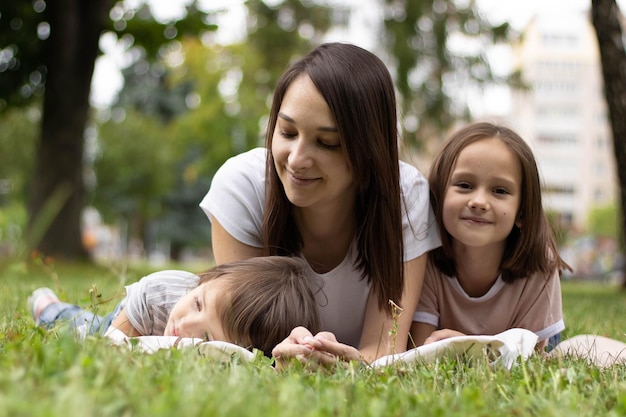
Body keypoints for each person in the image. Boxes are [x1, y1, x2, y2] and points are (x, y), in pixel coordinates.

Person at [200, 42, 440, 366]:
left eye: (327, 143)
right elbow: (240, 347)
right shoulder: (242, 187)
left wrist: (348, 366)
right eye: (287, 132)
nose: (297, 160)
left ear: (369, 150)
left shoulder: (406, 197)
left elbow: (383, 352)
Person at [410, 122, 569, 352]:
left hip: (536, 341)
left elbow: (529, 359)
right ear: (438, 194)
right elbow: (418, 350)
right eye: (464, 185)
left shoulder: (540, 263)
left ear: (522, 211)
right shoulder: (424, 257)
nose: (479, 202)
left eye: (500, 191)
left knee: (573, 349)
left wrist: (469, 347)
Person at [28, 256, 321, 357]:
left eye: (207, 338)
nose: (186, 326)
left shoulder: (233, 359)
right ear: (207, 279)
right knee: (86, 330)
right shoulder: (162, 292)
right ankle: (51, 308)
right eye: (197, 304)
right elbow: (110, 351)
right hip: (131, 324)